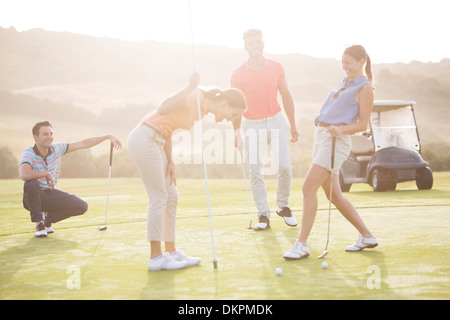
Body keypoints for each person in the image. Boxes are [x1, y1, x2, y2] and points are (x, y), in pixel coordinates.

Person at [127, 72, 247, 271]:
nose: (228, 119)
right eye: (231, 114)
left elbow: (167, 129)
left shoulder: (204, 108)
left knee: (172, 195)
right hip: (144, 138)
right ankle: (155, 258)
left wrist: (170, 160)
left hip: (158, 142)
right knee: (159, 197)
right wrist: (189, 88)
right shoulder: (197, 96)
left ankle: (171, 251)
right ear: (224, 104)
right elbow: (163, 109)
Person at [284, 45, 378, 260]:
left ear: (361, 60)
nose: (344, 67)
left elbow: (363, 124)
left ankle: (302, 244)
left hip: (336, 140)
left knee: (308, 187)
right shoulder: (346, 83)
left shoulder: (365, 88)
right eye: (342, 62)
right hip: (323, 137)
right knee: (333, 195)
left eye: (348, 63)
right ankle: (367, 236)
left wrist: (341, 129)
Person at [231, 29, 299, 231]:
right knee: (256, 171)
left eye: (258, 42)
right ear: (246, 47)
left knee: (285, 167)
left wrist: (292, 125)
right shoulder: (238, 74)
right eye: (251, 43)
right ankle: (263, 215)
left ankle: (283, 206)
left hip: (276, 121)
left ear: (263, 44)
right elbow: (235, 105)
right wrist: (236, 131)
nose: (256, 46)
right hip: (252, 124)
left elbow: (286, 96)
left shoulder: (276, 67)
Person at [20, 121, 122, 238]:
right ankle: (39, 224)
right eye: (45, 134)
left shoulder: (57, 149)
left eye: (51, 134)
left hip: (50, 194)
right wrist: (46, 174)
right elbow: (24, 174)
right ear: (35, 137)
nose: (49, 137)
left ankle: (47, 220)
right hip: (32, 198)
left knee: (81, 206)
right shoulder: (29, 152)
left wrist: (107, 136)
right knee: (31, 183)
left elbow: (82, 144)